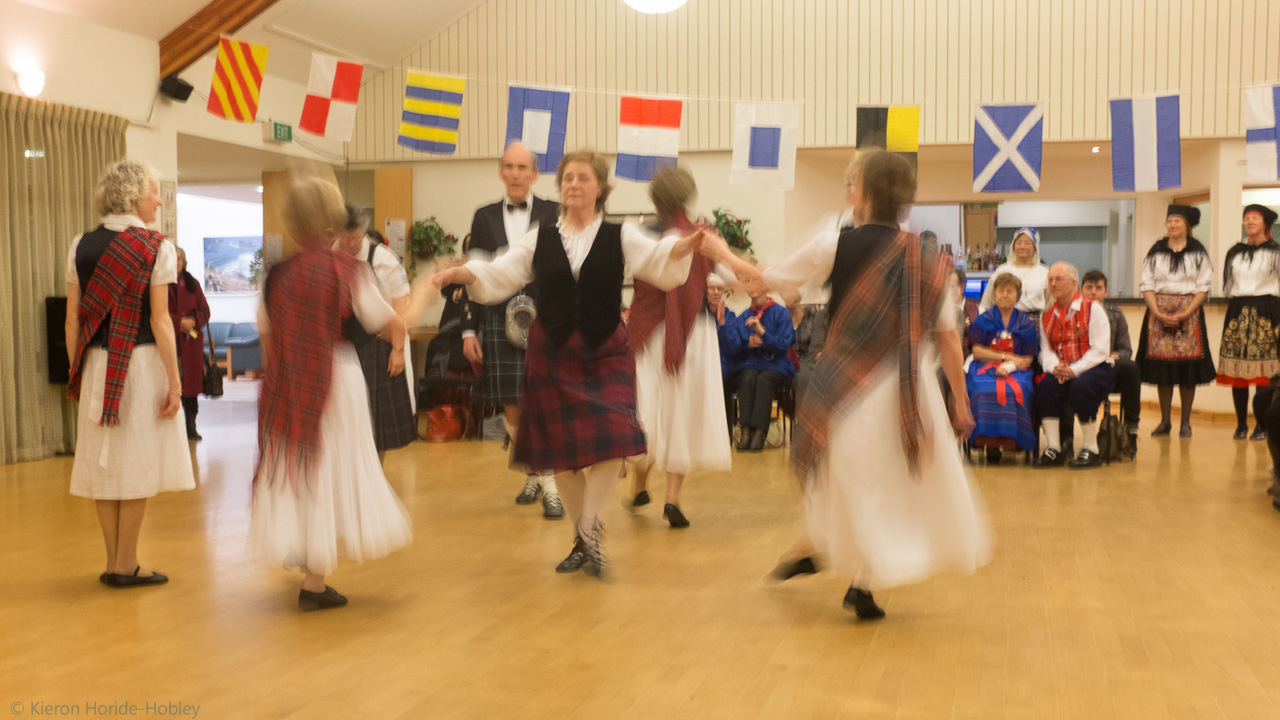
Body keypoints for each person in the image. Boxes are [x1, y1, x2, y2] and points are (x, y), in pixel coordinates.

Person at [704, 149, 991, 619]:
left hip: (850, 388)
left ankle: (846, 569)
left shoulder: (835, 244)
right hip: (906, 388)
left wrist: (721, 253)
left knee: (862, 481)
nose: (847, 193)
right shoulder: (925, 258)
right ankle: (847, 570)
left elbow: (763, 282)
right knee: (874, 484)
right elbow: (948, 339)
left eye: (852, 185)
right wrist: (959, 400)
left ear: (868, 193)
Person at [431, 149, 701, 579]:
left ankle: (589, 530)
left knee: (614, 437)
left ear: (600, 187)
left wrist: (682, 247)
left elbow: (659, 260)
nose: (574, 184)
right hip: (553, 348)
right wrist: (466, 274)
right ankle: (584, 539)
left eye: (583, 178)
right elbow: (502, 273)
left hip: (604, 347)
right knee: (562, 455)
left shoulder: (622, 235)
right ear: (560, 186)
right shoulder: (541, 237)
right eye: (568, 178)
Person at [249, 176, 419, 611]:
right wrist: (426, 291)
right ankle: (314, 580)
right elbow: (390, 324)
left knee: (300, 468)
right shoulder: (348, 271)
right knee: (332, 470)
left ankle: (307, 554)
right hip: (335, 379)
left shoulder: (274, 277)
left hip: (289, 381)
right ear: (330, 225)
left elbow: (268, 342)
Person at [65, 159, 195, 587]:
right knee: (135, 461)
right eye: (154, 192)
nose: (159, 199)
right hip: (138, 364)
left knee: (105, 467)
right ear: (135, 196)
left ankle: (114, 563)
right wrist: (175, 383)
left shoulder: (79, 243)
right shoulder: (156, 246)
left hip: (97, 364)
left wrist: (77, 369)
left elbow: (73, 321)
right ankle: (127, 563)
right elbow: (161, 321)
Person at [626, 165, 733, 528]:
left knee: (648, 413)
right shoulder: (703, 235)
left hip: (651, 331)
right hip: (694, 332)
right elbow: (728, 278)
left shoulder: (640, 234)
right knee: (681, 415)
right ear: (688, 196)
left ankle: (640, 484)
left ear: (655, 199)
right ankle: (672, 499)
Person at [467, 141, 563, 519]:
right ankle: (534, 472)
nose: (515, 174)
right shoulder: (483, 216)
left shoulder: (556, 213)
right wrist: (467, 331)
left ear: (535, 174)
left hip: (547, 316)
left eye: (523, 167)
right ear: (501, 171)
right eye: (509, 166)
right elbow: (473, 275)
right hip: (496, 315)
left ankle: (551, 485)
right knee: (512, 402)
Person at [334, 205, 416, 464]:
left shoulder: (384, 259)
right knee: (347, 422)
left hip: (380, 346)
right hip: (345, 346)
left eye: (354, 238)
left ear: (363, 232)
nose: (348, 244)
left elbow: (400, 309)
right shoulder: (332, 253)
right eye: (343, 238)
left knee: (376, 425)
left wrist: (398, 350)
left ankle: (376, 479)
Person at [1136, 205, 1216, 437]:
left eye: (1177, 221)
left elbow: (1203, 287)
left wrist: (1186, 313)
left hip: (1189, 313)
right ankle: (1164, 421)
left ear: (1187, 225)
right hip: (1157, 313)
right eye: (1169, 220)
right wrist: (1157, 312)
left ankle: (1186, 422)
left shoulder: (1198, 251)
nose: (1172, 225)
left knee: (1187, 370)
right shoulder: (1156, 250)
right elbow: (1147, 284)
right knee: (1163, 371)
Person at [1034, 262, 1114, 469]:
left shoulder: (1092, 308)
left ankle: (1091, 448)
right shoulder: (1047, 315)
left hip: (1094, 368)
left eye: (1058, 279)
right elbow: (1045, 350)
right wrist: (1055, 368)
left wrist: (1074, 370)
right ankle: (1054, 448)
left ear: (1073, 283)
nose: (1053, 283)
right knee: (1045, 388)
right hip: (1063, 369)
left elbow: (1100, 349)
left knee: (1082, 387)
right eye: (1050, 280)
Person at [1217, 204, 1280, 439]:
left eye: (1255, 218)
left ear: (1266, 224)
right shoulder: (1235, 252)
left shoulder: (1276, 252)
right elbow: (1230, 285)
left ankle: (1262, 425)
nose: (1250, 222)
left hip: (1266, 311)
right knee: (1238, 371)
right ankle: (1241, 424)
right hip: (1238, 311)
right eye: (1247, 218)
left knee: (1263, 371)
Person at [966, 273, 1038, 461]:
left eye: (1009, 291)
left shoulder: (1026, 324)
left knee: (1018, 390)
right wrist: (1005, 356)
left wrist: (1011, 365)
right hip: (984, 367)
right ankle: (987, 442)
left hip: (1017, 370)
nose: (1004, 294)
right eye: (1000, 291)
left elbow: (1028, 358)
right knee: (982, 389)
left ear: (1017, 295)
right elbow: (977, 352)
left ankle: (1014, 442)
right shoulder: (983, 320)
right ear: (994, 294)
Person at [725, 278, 796, 452]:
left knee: (763, 380)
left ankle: (759, 433)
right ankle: (746, 431)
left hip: (776, 365)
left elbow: (784, 345)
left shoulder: (780, 313)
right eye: (748, 283)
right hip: (751, 364)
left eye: (755, 282)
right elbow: (733, 346)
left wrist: (763, 333)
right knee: (747, 377)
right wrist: (747, 344)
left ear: (766, 287)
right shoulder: (744, 315)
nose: (751, 286)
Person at [1080, 270, 1141, 457]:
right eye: (1089, 288)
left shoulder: (1115, 314)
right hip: (1083, 369)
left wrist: (1114, 356)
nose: (1093, 292)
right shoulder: (1073, 313)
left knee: (1131, 367)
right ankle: (1066, 436)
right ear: (1081, 291)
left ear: (1106, 291)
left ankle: (1131, 431)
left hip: (1109, 366)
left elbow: (1126, 350)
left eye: (1098, 288)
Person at [168, 247, 211, 440]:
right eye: (174, 258)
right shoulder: (160, 284)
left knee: (191, 390)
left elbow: (205, 310)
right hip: (171, 345)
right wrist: (179, 323)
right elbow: (157, 314)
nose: (177, 261)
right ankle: (173, 430)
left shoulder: (193, 283)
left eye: (180, 258)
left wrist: (193, 320)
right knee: (172, 387)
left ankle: (191, 427)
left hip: (191, 344)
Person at [978, 227, 1050, 320]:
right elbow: (987, 302)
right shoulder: (1002, 270)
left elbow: (1050, 304)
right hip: (1005, 321)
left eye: (1027, 243)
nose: (1022, 246)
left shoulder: (1044, 272)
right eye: (1019, 242)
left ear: (1035, 247)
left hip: (1036, 322)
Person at [953, 267, 980, 356]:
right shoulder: (938, 312)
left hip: (970, 362)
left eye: (951, 286)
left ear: (962, 287)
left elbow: (982, 345)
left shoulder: (979, 310)